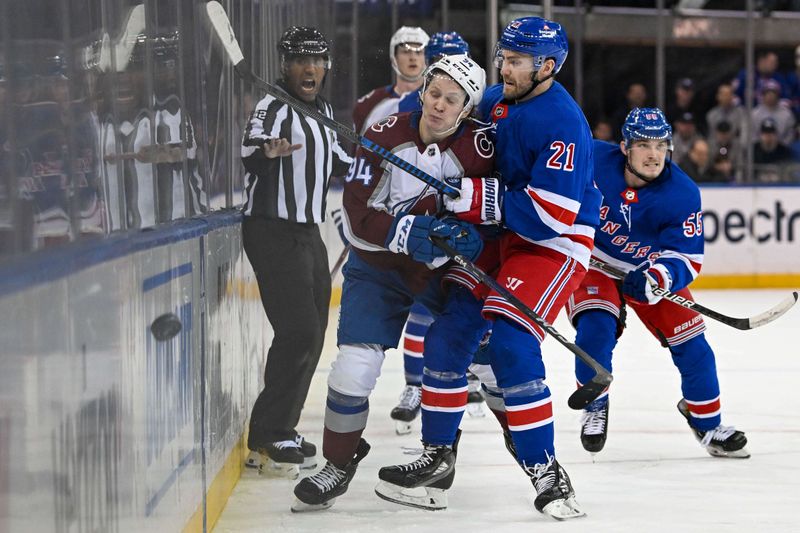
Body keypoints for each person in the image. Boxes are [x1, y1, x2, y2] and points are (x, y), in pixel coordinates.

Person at [377, 17, 601, 521]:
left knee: (510, 341)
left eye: (517, 60)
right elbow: (447, 118)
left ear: (547, 66)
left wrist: (471, 196)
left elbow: (551, 214)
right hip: (500, 237)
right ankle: (437, 460)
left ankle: (547, 470)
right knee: (447, 335)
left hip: (552, 243)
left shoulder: (562, 119)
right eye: (503, 56)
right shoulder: (498, 97)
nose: (505, 66)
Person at [291, 54, 492, 512]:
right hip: (378, 267)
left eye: (452, 99)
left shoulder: (483, 150)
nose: (439, 105)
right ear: (422, 91)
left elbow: (492, 218)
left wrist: (470, 237)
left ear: (467, 108)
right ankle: (338, 463)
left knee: (491, 361)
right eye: (434, 93)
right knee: (352, 368)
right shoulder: (383, 135)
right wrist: (401, 231)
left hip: (442, 273)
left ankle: (530, 463)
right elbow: (356, 216)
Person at [567, 107, 749, 460]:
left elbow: (687, 257)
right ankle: (596, 405)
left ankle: (708, 423)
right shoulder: (591, 157)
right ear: (624, 147)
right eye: (643, 144)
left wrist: (656, 277)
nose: (654, 154)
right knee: (595, 328)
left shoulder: (681, 193)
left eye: (661, 145)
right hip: (593, 264)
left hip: (647, 272)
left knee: (694, 346)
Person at [240, 26, 353, 478]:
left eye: (318, 60)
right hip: (271, 230)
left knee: (314, 331)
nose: (310, 68)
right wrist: (268, 152)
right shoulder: (272, 107)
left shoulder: (323, 110)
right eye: (300, 60)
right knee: (299, 331)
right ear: (284, 65)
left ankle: (280, 427)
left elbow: (339, 162)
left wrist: (375, 161)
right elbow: (250, 151)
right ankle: (269, 431)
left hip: (308, 232)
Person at [352, 26, 429, 135]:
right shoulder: (369, 103)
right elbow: (359, 149)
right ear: (394, 57)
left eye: (419, 52)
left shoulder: (436, 103)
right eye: (406, 52)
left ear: (426, 58)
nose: (413, 58)